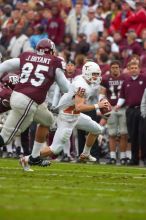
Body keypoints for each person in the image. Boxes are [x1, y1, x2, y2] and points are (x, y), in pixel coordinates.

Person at [20, 61, 110, 170]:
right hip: (67, 118)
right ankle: (26, 159)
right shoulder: (81, 86)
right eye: (94, 74)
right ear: (87, 73)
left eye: (97, 74)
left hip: (75, 115)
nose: (96, 77)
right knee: (55, 149)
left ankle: (85, 154)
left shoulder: (82, 79)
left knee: (97, 129)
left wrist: (100, 99)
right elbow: (79, 107)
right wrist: (98, 105)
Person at [0, 38, 69, 168]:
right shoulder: (55, 61)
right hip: (28, 101)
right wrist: (74, 93)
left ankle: (35, 157)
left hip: (23, 98)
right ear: (52, 51)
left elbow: (7, 64)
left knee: (47, 120)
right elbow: (65, 87)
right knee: (5, 138)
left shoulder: (27, 55)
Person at [116, 61, 146, 165]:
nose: (133, 69)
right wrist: (118, 105)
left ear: (139, 69)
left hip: (142, 110)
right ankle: (134, 159)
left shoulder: (144, 79)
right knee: (133, 135)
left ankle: (144, 158)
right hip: (130, 110)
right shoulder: (126, 82)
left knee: (143, 134)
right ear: (128, 69)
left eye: (135, 67)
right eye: (131, 68)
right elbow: (122, 97)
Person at [99, 60, 129, 165]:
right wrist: (102, 108)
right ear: (110, 69)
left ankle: (123, 157)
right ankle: (112, 157)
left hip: (123, 108)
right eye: (113, 67)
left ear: (120, 68)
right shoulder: (106, 79)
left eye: (116, 67)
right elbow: (102, 93)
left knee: (124, 133)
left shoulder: (125, 78)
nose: (115, 69)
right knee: (112, 134)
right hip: (111, 107)